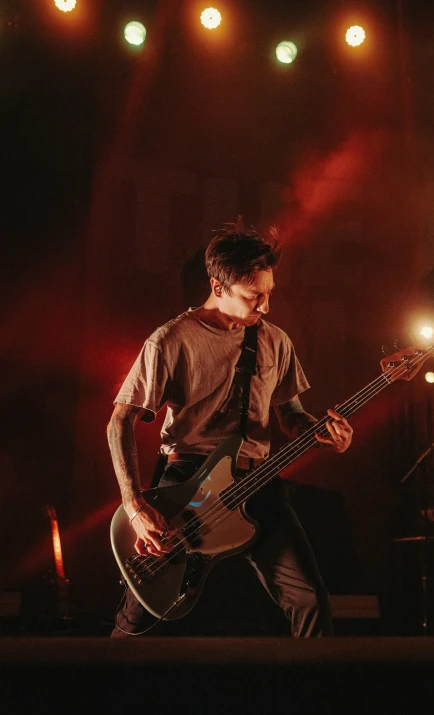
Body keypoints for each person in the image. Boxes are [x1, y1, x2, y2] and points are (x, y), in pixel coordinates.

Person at [107, 221, 353, 637]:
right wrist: (135, 506)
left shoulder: (276, 340)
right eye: (254, 296)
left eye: (269, 293)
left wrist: (325, 433)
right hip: (187, 481)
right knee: (143, 612)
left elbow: (291, 416)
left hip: (257, 483)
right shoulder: (169, 340)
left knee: (310, 598)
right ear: (218, 288)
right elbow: (119, 421)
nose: (266, 307)